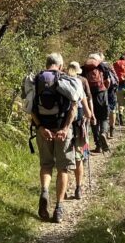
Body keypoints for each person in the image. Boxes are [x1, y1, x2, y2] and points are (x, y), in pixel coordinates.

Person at [24, 52, 80, 223]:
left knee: (46, 164)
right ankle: (59, 208)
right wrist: (65, 128)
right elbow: (73, 107)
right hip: (62, 130)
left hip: (43, 129)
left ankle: (44, 191)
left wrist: (40, 127)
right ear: (61, 66)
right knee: (63, 168)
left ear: (46, 64)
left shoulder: (36, 80)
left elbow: (30, 107)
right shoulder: (67, 80)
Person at [67, 61, 94, 200]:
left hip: (64, 127)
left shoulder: (62, 81)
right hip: (79, 126)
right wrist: (90, 115)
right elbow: (88, 111)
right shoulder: (81, 81)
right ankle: (78, 189)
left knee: (64, 158)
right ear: (78, 71)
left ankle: (64, 189)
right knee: (79, 158)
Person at [82, 53, 111, 152]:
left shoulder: (84, 68)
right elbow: (108, 81)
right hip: (101, 93)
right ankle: (103, 132)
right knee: (103, 117)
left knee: (93, 118)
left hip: (89, 95)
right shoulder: (102, 66)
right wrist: (105, 89)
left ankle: (98, 145)